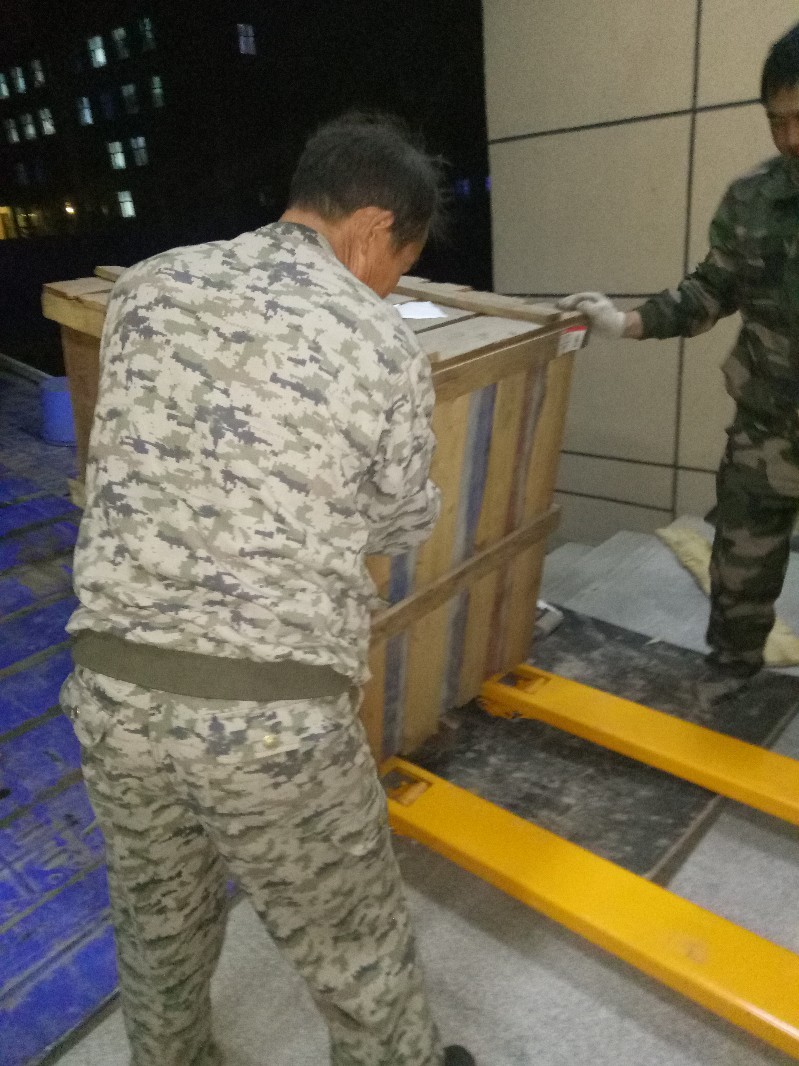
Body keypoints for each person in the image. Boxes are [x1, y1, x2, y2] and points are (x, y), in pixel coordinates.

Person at [60, 113, 476, 1066]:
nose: (389, 285)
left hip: (112, 694)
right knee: (355, 948)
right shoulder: (380, 340)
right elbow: (394, 521)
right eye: (399, 265)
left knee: (158, 929)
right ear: (372, 229)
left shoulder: (148, 285)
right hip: (269, 723)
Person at [560, 22, 799, 707]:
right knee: (741, 562)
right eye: (775, 121)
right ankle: (732, 668)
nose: (788, 139)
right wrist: (625, 321)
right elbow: (709, 291)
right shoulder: (753, 198)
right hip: (768, 424)